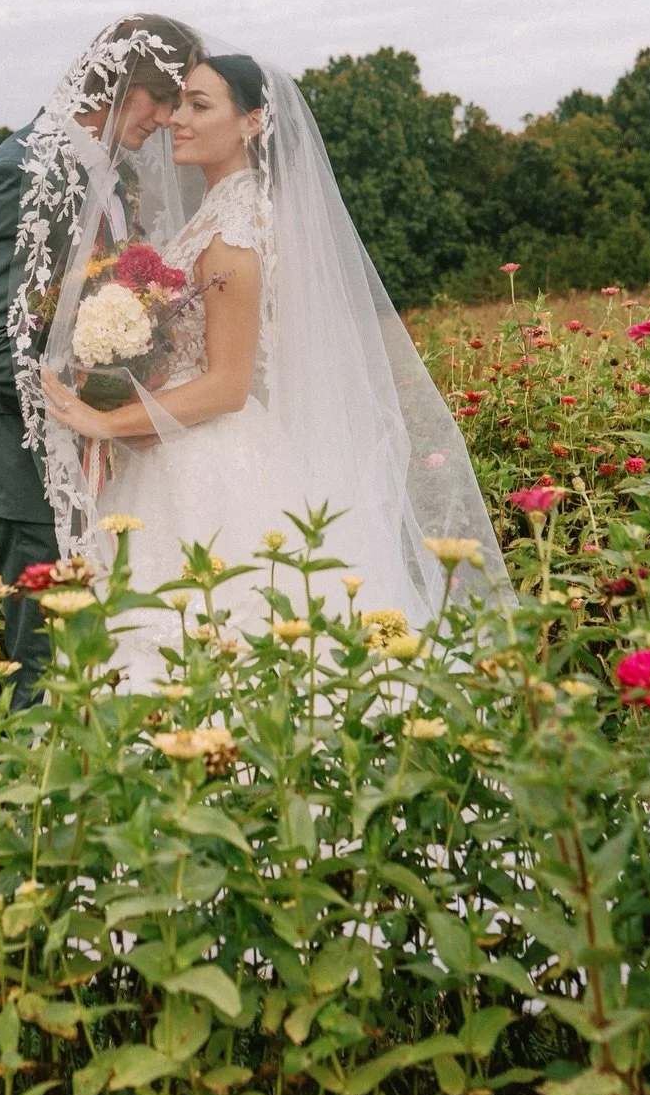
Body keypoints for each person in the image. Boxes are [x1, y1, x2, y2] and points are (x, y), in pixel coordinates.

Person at [40, 52, 510, 690]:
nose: (177, 118)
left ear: (254, 122)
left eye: (200, 106)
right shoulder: (217, 213)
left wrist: (104, 419)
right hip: (174, 446)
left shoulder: (233, 230)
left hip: (206, 459)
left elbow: (229, 385)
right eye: (178, 103)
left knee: (209, 640)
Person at [0, 14, 206, 705]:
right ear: (116, 83)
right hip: (29, 465)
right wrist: (80, 412)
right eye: (158, 96)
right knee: (45, 668)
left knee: (89, 662)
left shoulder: (107, 175)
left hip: (90, 452)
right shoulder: (19, 171)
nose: (166, 116)